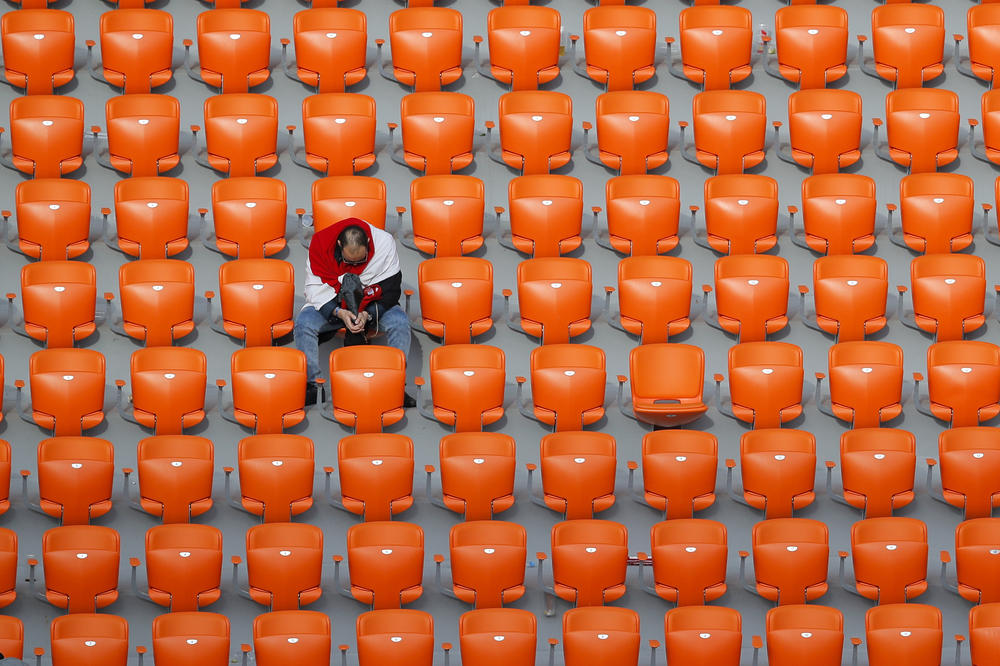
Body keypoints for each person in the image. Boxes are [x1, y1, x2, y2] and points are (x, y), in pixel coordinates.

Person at [293, 217, 414, 406]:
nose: (356, 267)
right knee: (304, 323)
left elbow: (391, 287)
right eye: (350, 261)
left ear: (368, 242)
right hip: (333, 301)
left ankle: (396, 385)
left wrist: (368, 313)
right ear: (339, 245)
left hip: (373, 301)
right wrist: (338, 312)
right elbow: (315, 288)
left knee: (400, 322)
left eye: (361, 261)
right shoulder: (320, 245)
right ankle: (313, 386)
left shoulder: (384, 243)